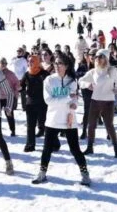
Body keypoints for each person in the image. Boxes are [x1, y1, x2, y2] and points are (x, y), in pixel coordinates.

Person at [31, 55, 90, 186]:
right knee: (47, 149)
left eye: (60, 63)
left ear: (67, 66)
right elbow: (48, 101)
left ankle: (85, 174)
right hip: (52, 119)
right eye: (55, 63)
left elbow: (74, 98)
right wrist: (67, 98)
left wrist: (74, 103)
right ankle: (42, 173)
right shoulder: (49, 80)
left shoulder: (72, 81)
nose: (57, 66)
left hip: (69, 119)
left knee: (75, 149)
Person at [78, 49, 117, 157]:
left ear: (106, 58)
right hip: (95, 101)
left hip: (108, 102)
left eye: (100, 57)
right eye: (96, 57)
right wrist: (87, 85)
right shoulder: (93, 71)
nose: (97, 59)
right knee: (91, 125)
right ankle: (90, 147)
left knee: (109, 125)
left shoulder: (112, 70)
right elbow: (80, 81)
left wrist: (116, 88)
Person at [20, 54, 49, 152]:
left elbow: (51, 86)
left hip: (43, 104)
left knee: (46, 125)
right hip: (30, 104)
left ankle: (54, 143)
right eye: (29, 61)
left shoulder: (44, 74)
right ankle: (30, 145)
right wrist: (18, 88)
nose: (30, 63)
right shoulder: (27, 74)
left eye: (32, 61)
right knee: (30, 126)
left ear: (37, 62)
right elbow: (21, 87)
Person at [0, 57, 21, 137]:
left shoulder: (10, 74)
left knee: (9, 114)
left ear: (6, 64)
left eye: (4, 63)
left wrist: (15, 93)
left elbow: (17, 83)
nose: (3, 65)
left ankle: (13, 130)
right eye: (1, 63)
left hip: (8, 98)